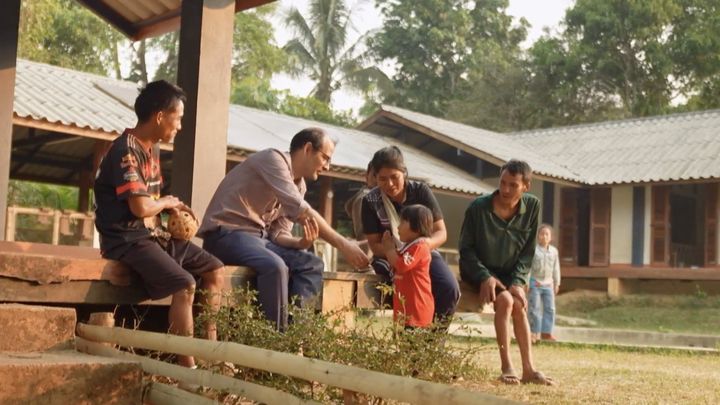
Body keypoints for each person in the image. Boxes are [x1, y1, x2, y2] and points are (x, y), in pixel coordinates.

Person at [93, 80, 224, 370]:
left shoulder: (151, 149)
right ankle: (187, 368)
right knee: (186, 283)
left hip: (151, 235)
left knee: (215, 269)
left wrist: (173, 208)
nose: (179, 126)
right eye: (177, 118)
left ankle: (210, 350)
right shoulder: (125, 151)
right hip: (126, 240)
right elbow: (140, 207)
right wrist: (166, 202)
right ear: (160, 116)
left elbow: (150, 202)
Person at [199, 127, 370, 331]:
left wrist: (301, 243)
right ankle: (279, 341)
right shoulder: (273, 160)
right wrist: (344, 245)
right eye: (325, 158)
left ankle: (299, 333)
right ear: (307, 149)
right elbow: (302, 210)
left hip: (259, 241)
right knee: (275, 265)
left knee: (311, 263)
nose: (327, 165)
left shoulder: (301, 186)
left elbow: (279, 234)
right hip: (226, 234)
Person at [459, 159, 554, 385]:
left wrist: (519, 281)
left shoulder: (532, 206)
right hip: (479, 272)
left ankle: (529, 370)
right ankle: (507, 366)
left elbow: (528, 251)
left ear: (526, 187)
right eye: (502, 183)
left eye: (513, 185)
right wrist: (484, 276)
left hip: (510, 275)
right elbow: (466, 250)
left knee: (518, 303)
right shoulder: (478, 207)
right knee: (505, 302)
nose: (505, 189)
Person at [361, 146, 460, 328]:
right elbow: (375, 245)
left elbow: (441, 232)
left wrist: (419, 248)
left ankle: (430, 345)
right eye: (382, 179)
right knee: (408, 293)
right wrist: (395, 254)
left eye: (394, 177)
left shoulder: (420, 191)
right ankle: (407, 344)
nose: (389, 184)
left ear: (404, 173)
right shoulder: (370, 201)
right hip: (388, 257)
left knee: (449, 288)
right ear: (374, 177)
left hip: (424, 251)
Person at [381, 205, 434, 328]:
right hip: (405, 312)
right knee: (403, 346)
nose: (398, 227)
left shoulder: (420, 247)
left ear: (416, 226)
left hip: (416, 312)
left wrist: (389, 249)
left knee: (411, 347)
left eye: (402, 222)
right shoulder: (409, 247)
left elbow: (401, 265)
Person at [528, 224, 561, 343]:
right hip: (535, 282)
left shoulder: (554, 251)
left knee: (550, 308)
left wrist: (557, 283)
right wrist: (527, 283)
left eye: (547, 234)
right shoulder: (533, 250)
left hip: (548, 284)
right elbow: (529, 268)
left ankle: (546, 333)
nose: (544, 236)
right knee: (535, 308)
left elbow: (556, 268)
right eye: (542, 234)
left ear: (551, 237)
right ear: (538, 236)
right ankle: (534, 332)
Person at [344, 162, 376, 258]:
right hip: (369, 256)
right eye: (374, 174)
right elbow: (366, 235)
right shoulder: (366, 197)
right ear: (367, 176)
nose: (378, 178)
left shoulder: (364, 195)